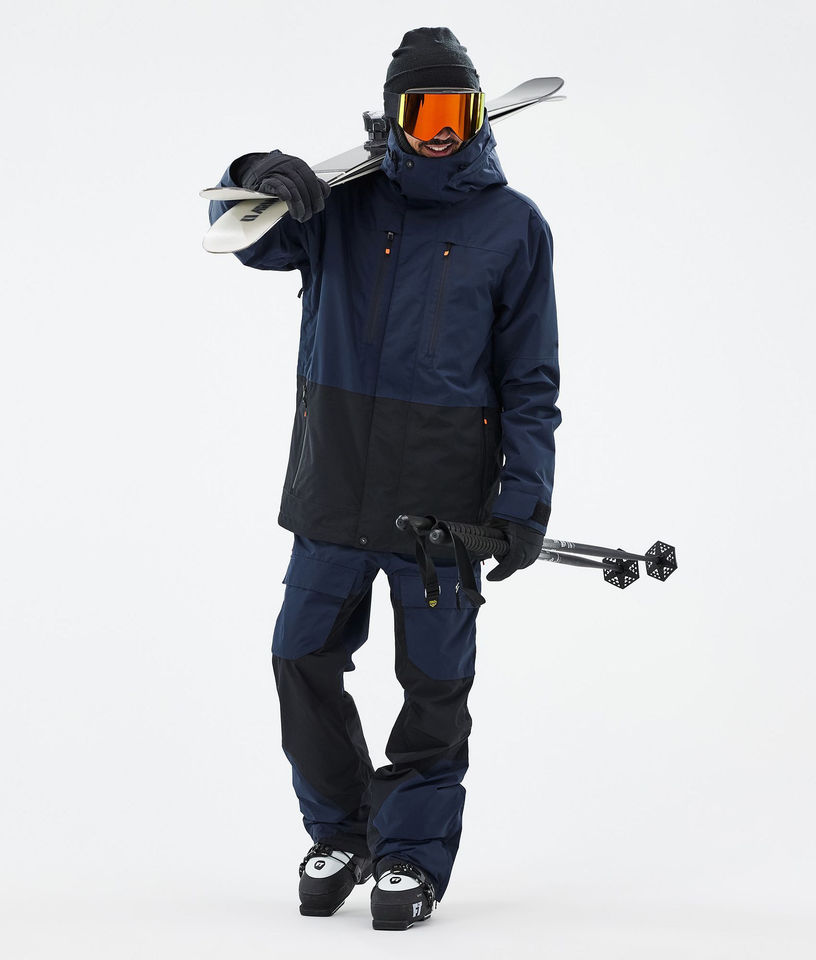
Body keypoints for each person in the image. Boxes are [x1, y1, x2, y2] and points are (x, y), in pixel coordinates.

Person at [208, 26, 561, 931]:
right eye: (422, 112)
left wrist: (524, 499)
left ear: (478, 117)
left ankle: (409, 854)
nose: (439, 132)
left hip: (442, 507)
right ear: (394, 116)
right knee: (300, 659)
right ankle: (341, 830)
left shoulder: (514, 227)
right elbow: (240, 237)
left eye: (456, 113)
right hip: (334, 487)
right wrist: (259, 170)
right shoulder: (340, 208)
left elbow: (531, 382)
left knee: (434, 688)